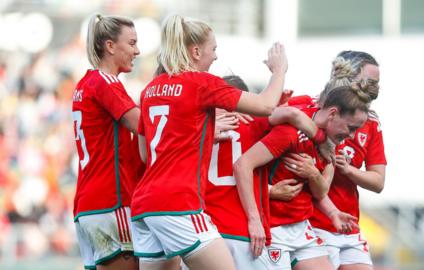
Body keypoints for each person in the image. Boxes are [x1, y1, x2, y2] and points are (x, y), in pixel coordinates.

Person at [130, 14, 289, 270]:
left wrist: (199, 137)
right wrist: (279, 71)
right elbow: (266, 105)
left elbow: (146, 155)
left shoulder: (150, 89)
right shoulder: (200, 83)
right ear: (195, 51)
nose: (215, 56)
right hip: (179, 204)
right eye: (213, 49)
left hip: (144, 206)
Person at [234, 85, 371, 270]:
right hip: (273, 227)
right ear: (332, 113)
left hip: (301, 226)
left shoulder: (333, 141)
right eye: (351, 127)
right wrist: (255, 217)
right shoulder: (291, 132)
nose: (352, 135)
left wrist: (332, 212)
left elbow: (321, 191)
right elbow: (243, 165)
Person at [206, 75, 327, 269]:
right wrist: (323, 139)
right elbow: (290, 114)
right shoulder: (254, 122)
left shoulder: (195, 128)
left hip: (206, 230)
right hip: (242, 227)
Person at [72, 14, 140, 270]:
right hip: (111, 201)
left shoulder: (85, 83)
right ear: (110, 46)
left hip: (89, 204)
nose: (137, 50)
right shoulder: (106, 83)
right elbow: (142, 124)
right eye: (132, 43)